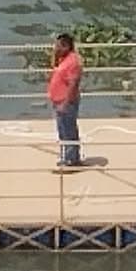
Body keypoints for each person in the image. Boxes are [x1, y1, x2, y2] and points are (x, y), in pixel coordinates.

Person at [48, 32, 84, 171]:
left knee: (68, 131)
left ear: (66, 46)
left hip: (66, 102)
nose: (55, 48)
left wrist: (66, 103)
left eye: (58, 46)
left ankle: (71, 160)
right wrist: (56, 56)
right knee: (63, 131)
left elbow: (73, 84)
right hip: (59, 101)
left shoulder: (73, 61)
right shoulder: (63, 59)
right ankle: (67, 157)